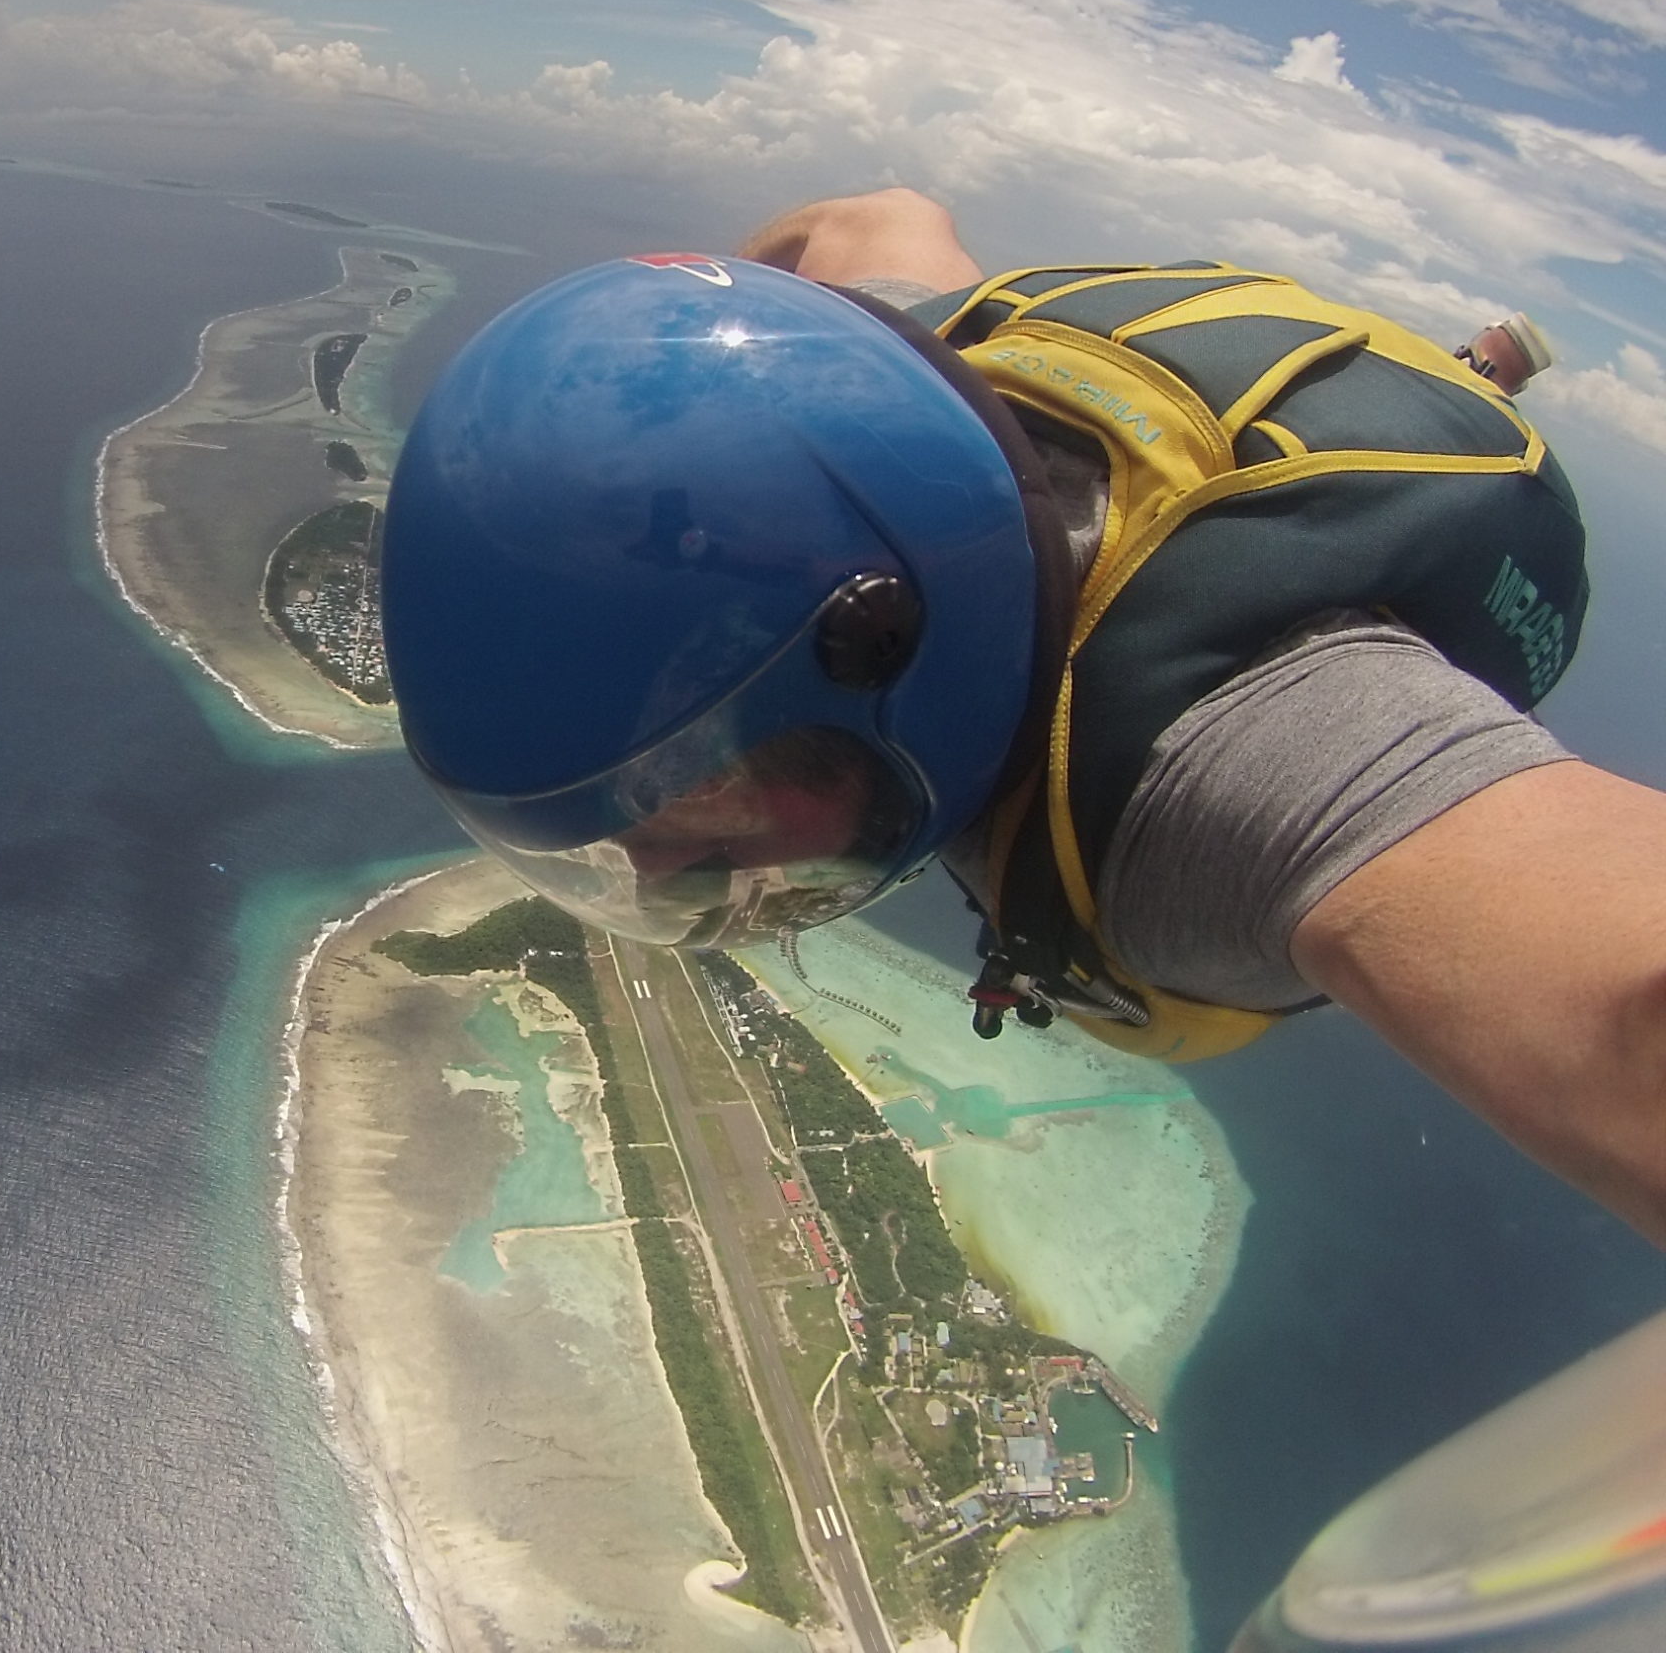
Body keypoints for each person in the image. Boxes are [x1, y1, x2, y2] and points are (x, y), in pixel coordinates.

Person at [377, 188, 1666, 1246]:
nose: (655, 860)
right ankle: (1466, 361)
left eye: (695, 786)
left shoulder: (1228, 770)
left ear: (885, 653)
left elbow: (1626, 1024)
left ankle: (1478, 381)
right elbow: (870, 218)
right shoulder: (898, 357)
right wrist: (739, 399)